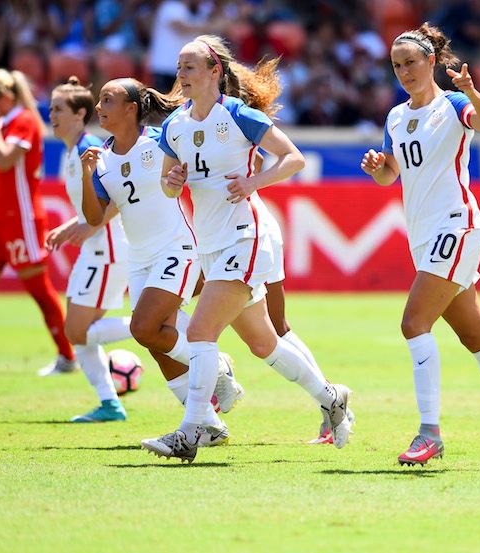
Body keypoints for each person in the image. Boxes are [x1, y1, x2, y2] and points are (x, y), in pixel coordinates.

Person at [140, 34, 352, 463]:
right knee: (263, 344)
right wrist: (172, 182)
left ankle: (192, 430)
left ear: (214, 71)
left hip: (245, 236)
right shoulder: (175, 125)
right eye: (179, 67)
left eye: (189, 67)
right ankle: (331, 398)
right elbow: (166, 184)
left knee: (200, 332)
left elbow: (293, 158)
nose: (181, 75)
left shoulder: (237, 114)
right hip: (210, 243)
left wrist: (254, 182)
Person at [360, 23, 480, 469]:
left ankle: (429, 433)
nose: (404, 72)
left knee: (414, 323)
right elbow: (392, 173)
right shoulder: (395, 117)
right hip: (424, 236)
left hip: (457, 226)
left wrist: (471, 90)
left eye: (411, 62)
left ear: (431, 61)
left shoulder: (452, 104)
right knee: (474, 336)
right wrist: (377, 168)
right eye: (397, 65)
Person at [78, 77, 244, 446]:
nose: (98, 107)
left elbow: (204, 161)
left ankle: (216, 367)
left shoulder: (159, 140)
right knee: (154, 340)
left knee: (144, 327)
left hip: (176, 248)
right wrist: (87, 177)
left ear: (131, 109)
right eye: (99, 100)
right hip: (139, 258)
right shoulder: (100, 158)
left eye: (107, 99)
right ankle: (210, 424)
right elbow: (93, 217)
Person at [0, 69, 75, 375]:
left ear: (3, 98)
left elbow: (5, 159)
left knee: (39, 290)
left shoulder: (24, 121)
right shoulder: (7, 123)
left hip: (21, 220)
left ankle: (68, 356)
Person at [44, 77, 131, 423]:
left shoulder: (91, 146)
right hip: (95, 249)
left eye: (58, 109)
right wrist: (72, 226)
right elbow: (91, 206)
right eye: (51, 108)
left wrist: (91, 226)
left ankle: (164, 324)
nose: (51, 115)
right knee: (77, 333)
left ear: (79, 114)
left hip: (107, 248)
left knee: (77, 331)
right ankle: (110, 404)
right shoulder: (73, 151)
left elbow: (120, 196)